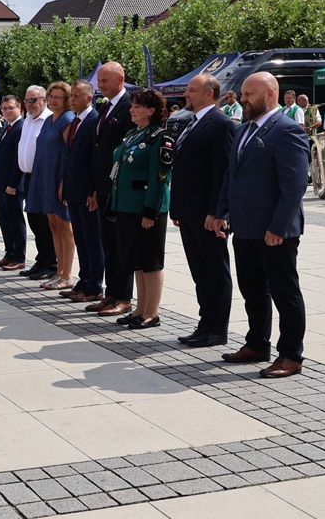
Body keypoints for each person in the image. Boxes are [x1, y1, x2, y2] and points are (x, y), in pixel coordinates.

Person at [213, 71, 308, 379]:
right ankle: (257, 343)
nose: (242, 99)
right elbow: (232, 175)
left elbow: (294, 186)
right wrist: (222, 212)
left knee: (284, 292)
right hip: (245, 226)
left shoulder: (288, 130)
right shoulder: (244, 130)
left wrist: (279, 227)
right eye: (242, 94)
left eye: (248, 95)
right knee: (252, 289)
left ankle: (291, 354)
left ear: (269, 94)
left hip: (274, 231)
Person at [170, 74, 233, 346]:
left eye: (192, 90)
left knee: (215, 271)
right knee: (200, 271)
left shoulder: (220, 124)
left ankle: (217, 328)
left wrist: (216, 212)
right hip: (189, 212)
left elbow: (223, 172)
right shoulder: (192, 122)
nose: (187, 94)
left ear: (209, 93)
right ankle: (204, 322)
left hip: (207, 215)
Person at [109, 88, 174, 329]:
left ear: (151, 110)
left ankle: (152, 313)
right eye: (132, 106)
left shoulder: (160, 137)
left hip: (145, 209)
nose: (132, 110)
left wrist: (150, 211)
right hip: (127, 207)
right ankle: (140, 308)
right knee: (136, 261)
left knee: (151, 261)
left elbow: (159, 178)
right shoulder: (134, 134)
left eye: (137, 106)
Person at [88, 62, 135, 316]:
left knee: (121, 245)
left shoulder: (129, 106)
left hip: (120, 190)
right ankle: (112, 292)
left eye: (105, 80)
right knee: (108, 243)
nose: (101, 85)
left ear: (121, 79)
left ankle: (124, 297)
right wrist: (96, 187)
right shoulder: (106, 106)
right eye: (99, 81)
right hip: (104, 188)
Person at [27, 81, 75, 290]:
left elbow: (69, 154)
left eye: (58, 97)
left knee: (65, 227)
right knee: (53, 226)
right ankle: (59, 272)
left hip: (58, 178)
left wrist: (64, 182)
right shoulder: (48, 121)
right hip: (45, 177)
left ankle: (67, 274)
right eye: (52, 96)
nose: (54, 100)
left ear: (67, 100)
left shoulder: (67, 119)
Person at [60, 80, 103, 303]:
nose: (72, 99)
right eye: (71, 96)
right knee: (81, 238)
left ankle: (95, 284)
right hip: (73, 190)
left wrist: (92, 190)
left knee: (92, 239)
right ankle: (84, 280)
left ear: (89, 98)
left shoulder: (94, 120)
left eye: (76, 96)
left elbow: (94, 160)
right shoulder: (76, 121)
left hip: (87, 191)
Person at [16, 86, 56, 282]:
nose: (29, 104)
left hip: (43, 178)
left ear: (44, 100)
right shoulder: (27, 121)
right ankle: (41, 260)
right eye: (27, 100)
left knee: (44, 223)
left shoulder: (49, 120)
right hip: (29, 177)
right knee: (34, 221)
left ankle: (51, 263)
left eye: (34, 100)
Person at [0, 95, 27, 271]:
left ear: (20, 108)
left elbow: (17, 160)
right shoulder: (7, 127)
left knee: (15, 220)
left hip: (12, 185)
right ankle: (9, 253)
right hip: (1, 184)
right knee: (4, 221)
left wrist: (13, 184)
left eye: (10, 108)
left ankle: (19, 256)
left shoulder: (21, 127)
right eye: (4, 108)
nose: (6, 111)